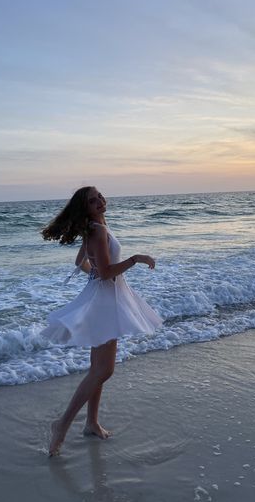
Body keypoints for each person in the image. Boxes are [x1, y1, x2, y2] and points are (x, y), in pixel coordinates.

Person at [41, 185, 163, 456]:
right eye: (92, 200)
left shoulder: (95, 228)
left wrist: (95, 273)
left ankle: (91, 423)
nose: (99, 201)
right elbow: (106, 272)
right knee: (103, 370)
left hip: (105, 299)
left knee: (98, 369)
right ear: (84, 207)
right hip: (106, 302)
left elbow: (82, 262)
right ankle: (61, 425)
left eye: (99, 196)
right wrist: (135, 259)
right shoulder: (97, 230)